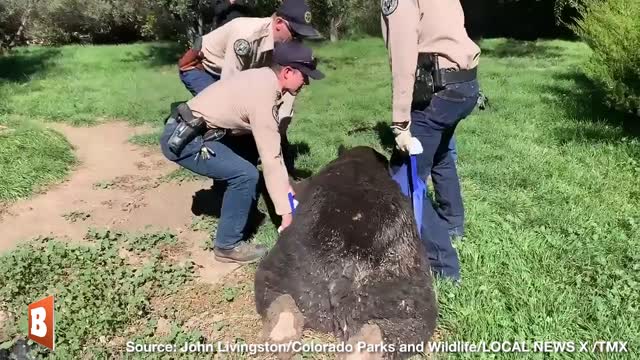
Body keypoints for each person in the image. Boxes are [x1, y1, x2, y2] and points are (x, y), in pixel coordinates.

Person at [160, 41, 325, 264]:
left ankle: (225, 200)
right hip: (185, 140)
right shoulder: (264, 96)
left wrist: (284, 187)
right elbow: (271, 158)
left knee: (248, 155)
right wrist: (287, 215)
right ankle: (227, 246)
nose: (306, 82)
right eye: (304, 75)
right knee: (246, 175)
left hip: (198, 131)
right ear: (287, 72)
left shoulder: (263, 78)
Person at [382, 0, 481, 281]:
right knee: (440, 155)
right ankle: (452, 224)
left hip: (438, 89)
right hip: (464, 86)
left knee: (404, 179)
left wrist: (400, 123)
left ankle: (443, 266)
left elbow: (403, 57)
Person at [177, 0, 321, 96]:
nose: (296, 39)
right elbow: (230, 86)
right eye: (295, 33)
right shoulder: (247, 37)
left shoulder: (277, 41)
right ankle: (183, 119)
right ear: (278, 23)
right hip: (201, 69)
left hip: (224, 72)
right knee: (220, 114)